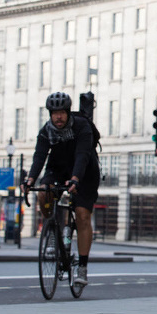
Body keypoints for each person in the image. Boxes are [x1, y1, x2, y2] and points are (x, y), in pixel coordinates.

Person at [23, 92, 101, 285]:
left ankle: (82, 267)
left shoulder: (81, 126)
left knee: (82, 215)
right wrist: (30, 180)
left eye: (61, 113)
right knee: (44, 193)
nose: (58, 117)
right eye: (54, 113)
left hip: (85, 172)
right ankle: (51, 233)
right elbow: (39, 156)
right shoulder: (46, 131)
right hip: (57, 169)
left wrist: (75, 179)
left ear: (68, 113)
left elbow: (82, 155)